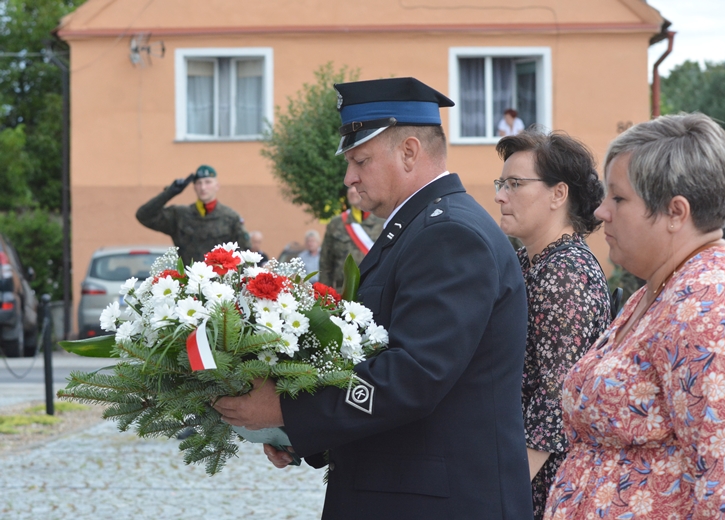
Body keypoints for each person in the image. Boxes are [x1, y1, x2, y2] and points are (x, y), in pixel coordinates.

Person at [214, 77, 534, 519]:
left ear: (409, 151)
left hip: (441, 501)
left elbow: (412, 376)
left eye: (360, 159)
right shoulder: (419, 229)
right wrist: (301, 434)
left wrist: (290, 410)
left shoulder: (449, 234)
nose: (349, 177)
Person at [544, 113, 725, 519]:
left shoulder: (719, 304)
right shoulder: (664, 287)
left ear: (675, 212)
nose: (601, 212)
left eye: (618, 198)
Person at [493, 131, 612, 520]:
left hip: (543, 483)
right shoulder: (534, 262)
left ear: (558, 194)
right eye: (500, 183)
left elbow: (554, 400)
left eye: (515, 184)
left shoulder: (566, 273)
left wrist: (500, 494)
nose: (500, 195)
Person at [136, 165, 251, 264]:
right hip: (189, 283)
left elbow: (244, 252)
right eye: (199, 183)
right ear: (194, 187)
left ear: (217, 186)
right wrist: (169, 193)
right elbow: (144, 216)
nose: (203, 187)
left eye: (208, 182)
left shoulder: (230, 217)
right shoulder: (180, 215)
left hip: (219, 284)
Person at [319, 186, 385, 291]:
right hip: (344, 291)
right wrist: (325, 295)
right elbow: (326, 264)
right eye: (349, 188)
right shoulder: (336, 223)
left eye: (357, 187)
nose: (352, 191)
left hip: (374, 289)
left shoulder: (383, 221)